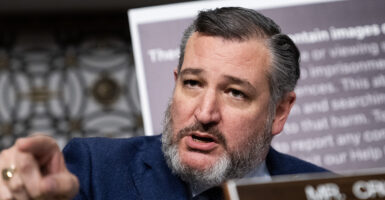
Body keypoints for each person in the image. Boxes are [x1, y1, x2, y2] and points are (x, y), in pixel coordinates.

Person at [0, 7, 328, 200]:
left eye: (235, 93)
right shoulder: (94, 169)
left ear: (280, 111)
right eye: (193, 83)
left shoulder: (323, 190)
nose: (204, 113)